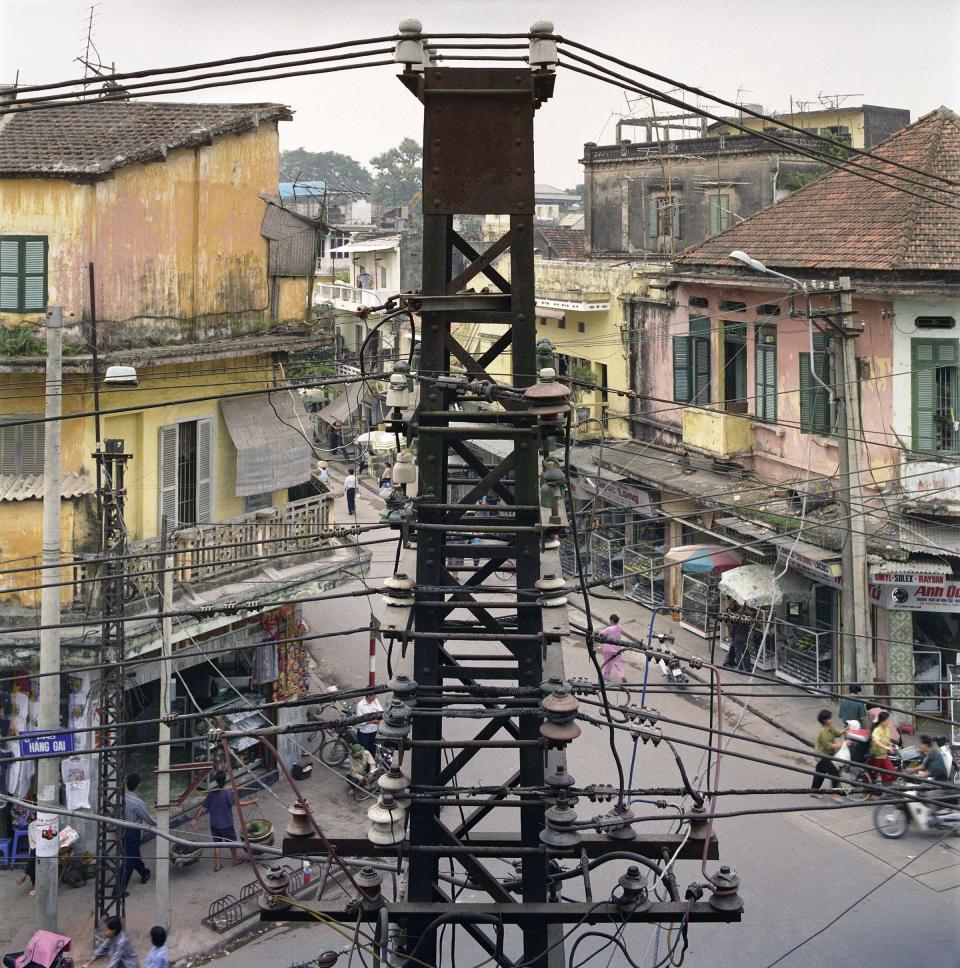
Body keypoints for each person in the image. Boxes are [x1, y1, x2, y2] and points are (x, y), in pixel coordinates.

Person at [189, 771, 257, 871]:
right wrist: (252, 801)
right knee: (232, 842)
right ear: (225, 780)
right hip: (226, 824)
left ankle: (217, 865)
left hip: (215, 824)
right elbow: (238, 804)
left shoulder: (212, 793)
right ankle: (235, 860)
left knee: (217, 844)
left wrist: (195, 818)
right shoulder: (227, 793)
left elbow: (203, 807)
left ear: (216, 781)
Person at [115, 773, 155, 897]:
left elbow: (113, 815)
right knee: (129, 861)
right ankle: (118, 891)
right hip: (132, 832)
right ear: (137, 786)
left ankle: (144, 873)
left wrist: (113, 831)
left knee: (133, 854)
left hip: (121, 831)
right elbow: (148, 819)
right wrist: (162, 824)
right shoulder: (137, 802)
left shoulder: (121, 799)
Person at [810, 709, 847, 800]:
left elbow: (837, 733)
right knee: (835, 773)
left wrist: (848, 729)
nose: (832, 720)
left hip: (828, 755)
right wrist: (844, 743)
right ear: (825, 720)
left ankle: (813, 791)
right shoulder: (823, 731)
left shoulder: (829, 727)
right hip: (822, 756)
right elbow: (830, 746)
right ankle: (835, 794)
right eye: (830, 718)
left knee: (820, 773)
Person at [868, 710, 897, 786]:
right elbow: (876, 742)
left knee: (892, 773)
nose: (889, 722)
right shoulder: (877, 730)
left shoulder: (886, 729)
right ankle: (866, 792)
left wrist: (890, 745)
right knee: (872, 777)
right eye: (887, 720)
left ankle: (886, 790)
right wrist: (886, 747)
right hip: (876, 756)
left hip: (884, 756)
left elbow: (887, 739)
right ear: (882, 721)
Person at [723, 602, 750, 670]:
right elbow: (748, 626)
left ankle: (740, 668)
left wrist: (732, 637)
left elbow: (732, 628)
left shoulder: (735, 615)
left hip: (736, 636)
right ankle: (748, 669)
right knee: (746, 653)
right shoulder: (748, 615)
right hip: (744, 636)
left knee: (738, 654)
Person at [14, 818, 37, 897]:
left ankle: (25, 874)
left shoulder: (53, 823)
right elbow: (34, 841)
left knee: (35, 855)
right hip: (37, 849)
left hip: (50, 848)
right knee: (35, 854)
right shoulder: (33, 825)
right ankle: (34, 885)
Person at [599, 614, 624, 682]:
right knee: (618, 662)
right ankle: (621, 675)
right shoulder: (619, 627)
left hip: (608, 648)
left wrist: (599, 631)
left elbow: (602, 634)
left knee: (607, 663)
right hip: (617, 648)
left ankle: (606, 676)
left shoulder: (609, 629)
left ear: (612, 621)